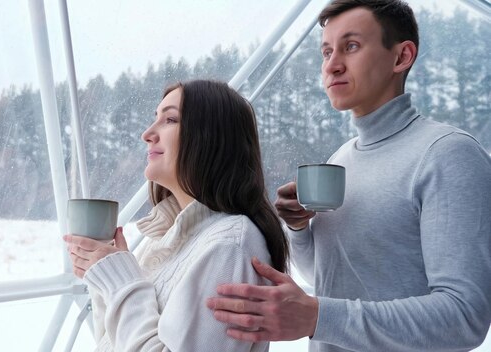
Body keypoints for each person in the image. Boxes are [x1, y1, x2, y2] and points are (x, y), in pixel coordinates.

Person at [206, 1, 491, 351]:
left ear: (402, 57)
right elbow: (327, 279)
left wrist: (316, 318)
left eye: (351, 46)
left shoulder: (447, 154)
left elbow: (465, 317)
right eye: (326, 51)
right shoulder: (340, 159)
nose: (332, 65)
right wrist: (299, 229)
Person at [63, 79, 290, 351]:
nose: (147, 133)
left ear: (212, 138)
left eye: (169, 119)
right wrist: (104, 278)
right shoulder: (171, 238)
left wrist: (122, 281)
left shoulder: (229, 246)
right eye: (154, 118)